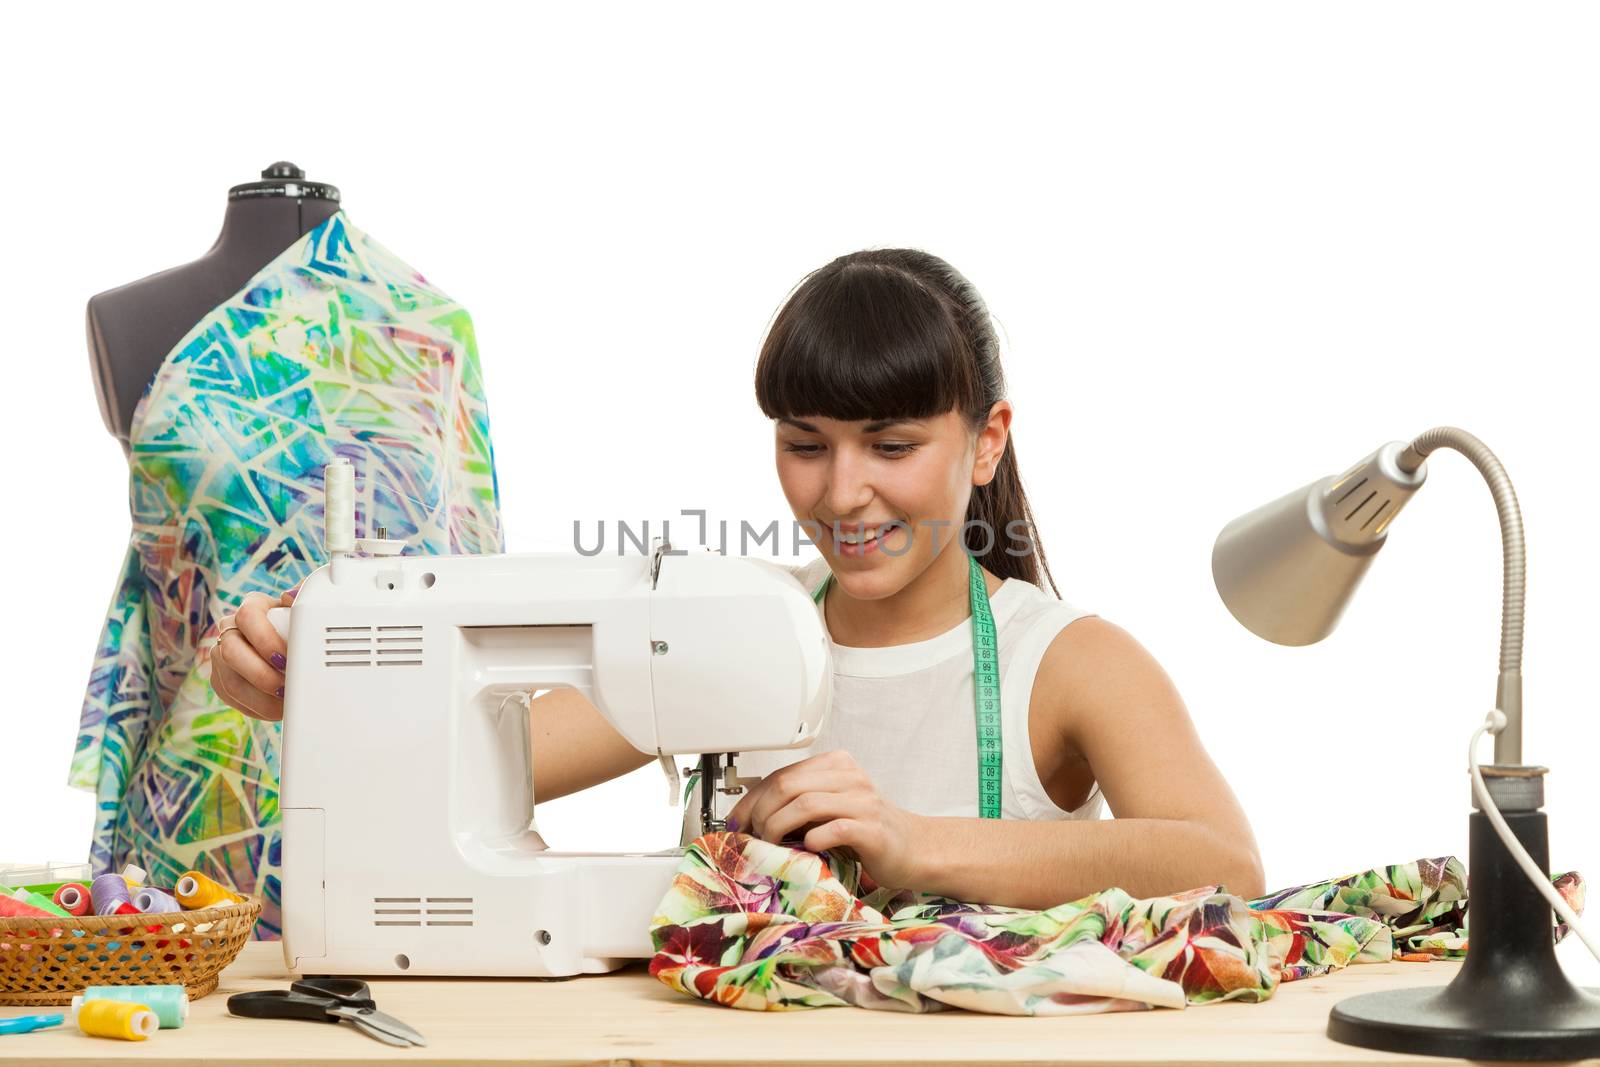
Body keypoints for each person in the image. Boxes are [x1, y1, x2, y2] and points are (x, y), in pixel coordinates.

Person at [214, 249, 1265, 909]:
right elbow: (476, 766)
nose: (842, 492)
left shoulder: (1069, 660)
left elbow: (1225, 862)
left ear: (985, 440)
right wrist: (313, 693)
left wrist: (912, 840)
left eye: (890, 445)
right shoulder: (725, 630)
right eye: (805, 443)